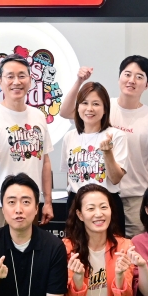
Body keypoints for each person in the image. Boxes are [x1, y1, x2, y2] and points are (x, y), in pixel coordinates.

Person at [60, 56, 148, 238]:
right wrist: (79, 81)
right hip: (95, 198)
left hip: (135, 196)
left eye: (139, 76)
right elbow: (65, 112)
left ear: (147, 84)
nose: (131, 80)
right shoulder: (101, 106)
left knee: (129, 246)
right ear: (119, 78)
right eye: (127, 74)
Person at [0, 54, 54, 235]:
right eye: (10, 76)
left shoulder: (39, 116)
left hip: (30, 203)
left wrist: (47, 201)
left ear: (30, 81)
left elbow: (45, 162)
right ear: (0, 81)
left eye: (22, 76)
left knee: (29, 251)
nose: (16, 82)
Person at [60, 82, 127, 232]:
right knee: (75, 245)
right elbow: (70, 176)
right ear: (78, 107)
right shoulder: (69, 137)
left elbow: (115, 178)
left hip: (107, 203)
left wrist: (107, 152)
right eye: (84, 103)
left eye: (96, 104)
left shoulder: (116, 135)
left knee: (112, 245)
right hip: (76, 203)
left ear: (105, 109)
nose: (89, 108)